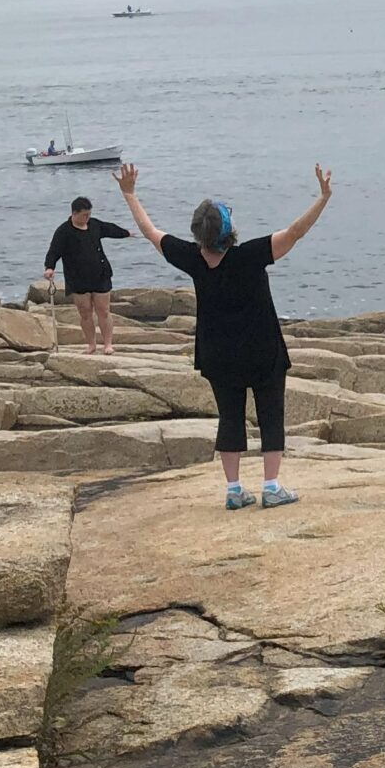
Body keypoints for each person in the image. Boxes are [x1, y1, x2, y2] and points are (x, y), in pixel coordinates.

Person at [114, 161, 331, 510]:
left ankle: (234, 490)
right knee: (271, 413)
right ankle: (271, 486)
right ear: (228, 229)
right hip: (262, 350)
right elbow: (295, 232)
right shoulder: (251, 255)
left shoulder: (191, 259)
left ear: (198, 233)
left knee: (229, 418)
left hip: (217, 354)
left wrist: (129, 194)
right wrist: (322, 198)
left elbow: (150, 231)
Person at [41, 196, 129, 355]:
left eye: (89, 214)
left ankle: (108, 344)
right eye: (84, 215)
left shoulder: (94, 225)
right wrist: (49, 267)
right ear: (74, 213)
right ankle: (91, 345)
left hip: (100, 273)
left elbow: (110, 229)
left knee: (103, 311)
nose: (87, 218)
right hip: (77, 277)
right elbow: (54, 251)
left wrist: (126, 233)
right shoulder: (63, 231)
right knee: (85, 312)